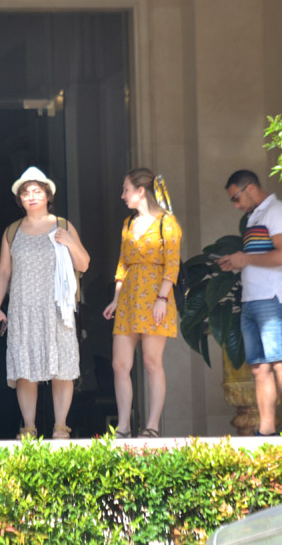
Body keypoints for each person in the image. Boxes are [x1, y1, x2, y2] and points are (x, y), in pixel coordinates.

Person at [0, 167, 90, 439]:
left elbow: (84, 264)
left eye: (37, 191)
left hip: (57, 309)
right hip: (23, 309)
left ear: (48, 195)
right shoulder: (12, 231)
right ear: (20, 199)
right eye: (26, 193)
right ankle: (29, 426)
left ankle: (60, 426)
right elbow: (4, 272)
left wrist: (70, 242)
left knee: (62, 368)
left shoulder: (63, 225)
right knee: (25, 369)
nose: (31, 197)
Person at [216, 169, 282, 436]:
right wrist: (237, 262)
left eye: (236, 198)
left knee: (279, 362)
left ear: (249, 187)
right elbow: (260, 257)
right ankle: (266, 431)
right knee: (259, 368)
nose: (236, 205)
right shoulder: (255, 217)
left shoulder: (277, 211)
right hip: (252, 299)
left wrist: (246, 259)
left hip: (272, 298)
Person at [102, 167, 181, 438]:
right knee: (119, 364)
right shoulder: (128, 223)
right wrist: (116, 299)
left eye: (126, 190)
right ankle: (123, 427)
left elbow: (172, 265)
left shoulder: (166, 223)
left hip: (156, 296)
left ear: (140, 191)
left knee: (151, 362)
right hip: (129, 298)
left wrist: (162, 298)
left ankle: (152, 426)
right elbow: (122, 264)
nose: (122, 195)